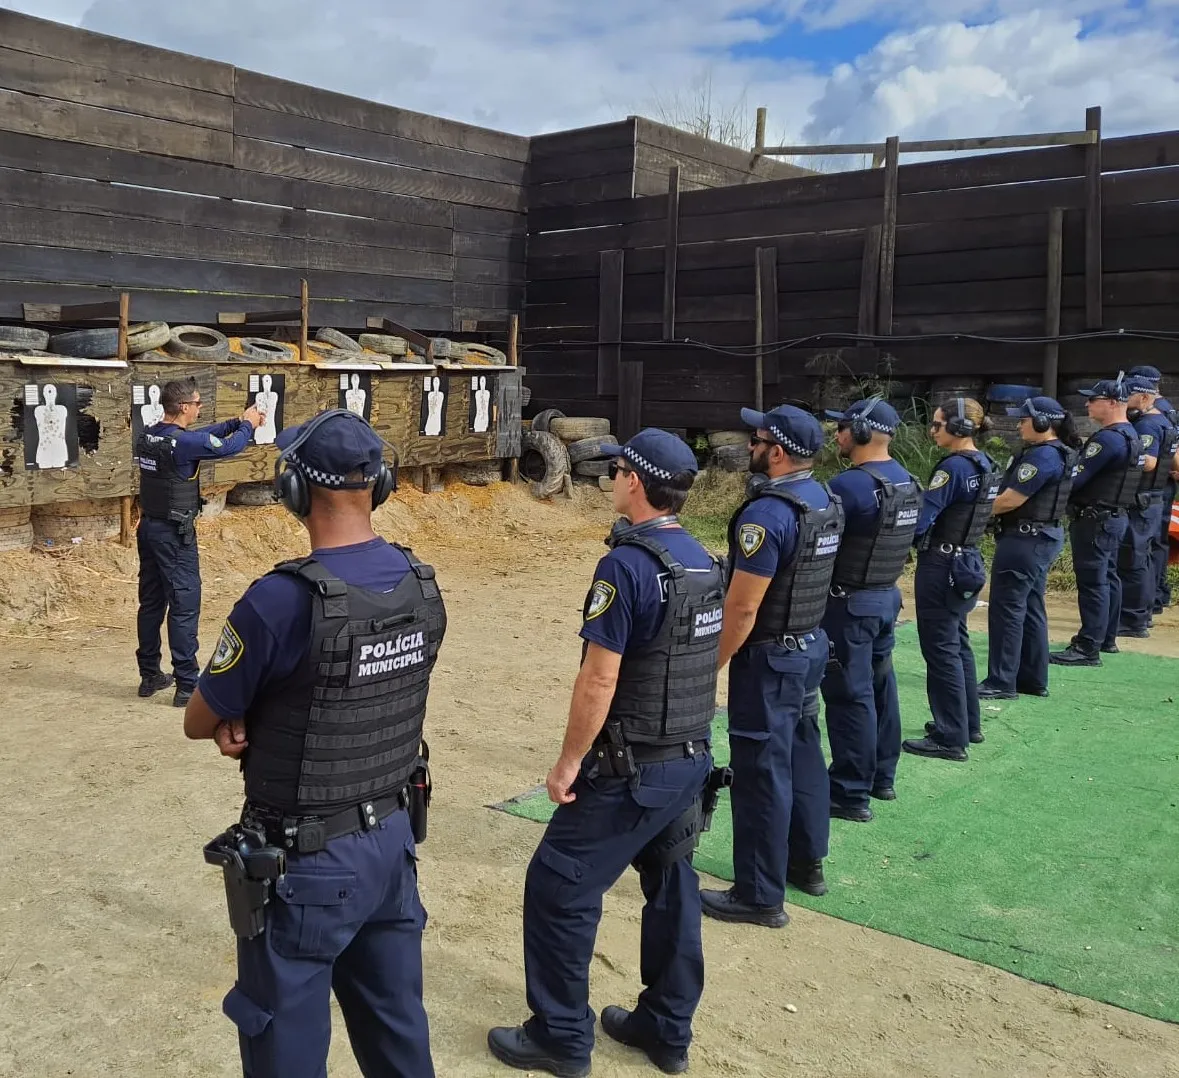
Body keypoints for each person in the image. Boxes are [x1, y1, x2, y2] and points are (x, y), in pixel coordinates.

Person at [183, 408, 444, 1078]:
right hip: (390, 839)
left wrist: (248, 716)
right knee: (396, 1031)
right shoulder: (421, 584)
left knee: (285, 1045)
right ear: (379, 484)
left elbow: (199, 716)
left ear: (292, 489)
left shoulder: (279, 599)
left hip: (308, 861)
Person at [488, 428, 721, 1078]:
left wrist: (567, 763)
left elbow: (599, 677)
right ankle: (666, 1028)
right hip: (686, 756)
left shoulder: (627, 565)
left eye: (617, 469)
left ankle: (560, 1036)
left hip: (631, 766)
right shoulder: (703, 558)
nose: (610, 477)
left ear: (635, 481)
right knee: (671, 884)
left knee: (559, 886)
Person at [699, 404, 843, 926]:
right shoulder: (825, 498)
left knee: (761, 772)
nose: (751, 446)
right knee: (804, 755)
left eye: (758, 439)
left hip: (770, 658)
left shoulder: (768, 513)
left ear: (776, 451)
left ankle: (759, 895)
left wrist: (711, 665)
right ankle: (806, 862)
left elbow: (742, 607)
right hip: (808, 645)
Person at [819, 398, 922, 821]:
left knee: (849, 696)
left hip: (850, 604)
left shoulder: (851, 486)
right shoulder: (909, 482)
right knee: (881, 687)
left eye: (843, 427)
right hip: (886, 597)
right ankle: (882, 777)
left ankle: (849, 791)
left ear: (861, 432)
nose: (838, 435)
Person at [135, 377, 260, 707]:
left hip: (148, 528)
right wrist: (247, 426)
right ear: (183, 407)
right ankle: (187, 684)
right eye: (197, 403)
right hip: (174, 534)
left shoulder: (150, 434)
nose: (200, 407)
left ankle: (149, 675)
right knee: (184, 605)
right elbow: (229, 448)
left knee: (151, 604)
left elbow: (200, 439)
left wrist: (235, 421)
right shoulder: (183, 444)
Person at [902, 398, 1001, 762]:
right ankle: (966, 724)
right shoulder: (986, 464)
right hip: (967, 559)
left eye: (938, 424)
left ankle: (949, 736)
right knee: (957, 643)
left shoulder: (954, 468)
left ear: (958, 428)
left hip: (942, 563)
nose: (933, 430)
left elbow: (922, 520)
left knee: (941, 649)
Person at [979, 398, 1080, 699]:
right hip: (1037, 537)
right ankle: (1032, 679)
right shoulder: (1053, 453)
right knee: (1031, 607)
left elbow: (1012, 499)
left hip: (1025, 539)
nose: (1019, 424)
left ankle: (1001, 681)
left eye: (1024, 419)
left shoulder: (1043, 457)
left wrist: (972, 514)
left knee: (1007, 610)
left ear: (1042, 423)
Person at [1049, 378, 1145, 667]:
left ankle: (1088, 646)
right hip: (1114, 516)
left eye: (1094, 399)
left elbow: (1076, 479)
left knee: (1093, 583)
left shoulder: (1108, 439)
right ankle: (1105, 638)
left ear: (1113, 403)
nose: (1087, 404)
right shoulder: (1131, 434)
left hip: (1096, 518)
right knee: (1108, 578)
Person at [1118, 372, 1179, 635]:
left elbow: (1150, 462)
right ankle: (1143, 611)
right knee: (1147, 554)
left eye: (1128, 394)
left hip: (1145, 497)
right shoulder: (1164, 419)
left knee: (1135, 557)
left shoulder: (1148, 424)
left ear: (1144, 396)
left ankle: (1134, 617)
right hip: (1154, 496)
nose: (1123, 399)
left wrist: (1119, 460)